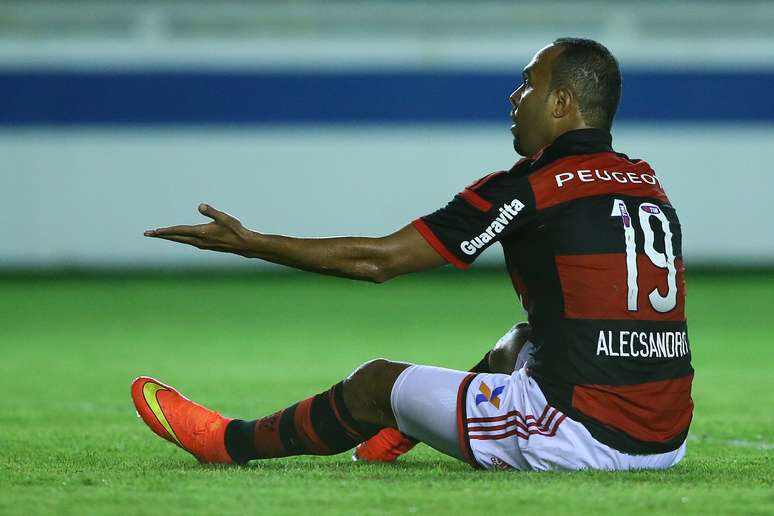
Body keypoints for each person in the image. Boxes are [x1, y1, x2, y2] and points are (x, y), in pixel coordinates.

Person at [135, 37, 693, 471]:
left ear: (562, 102)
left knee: (375, 381)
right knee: (519, 342)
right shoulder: (646, 182)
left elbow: (379, 261)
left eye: (527, 84)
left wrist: (253, 244)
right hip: (667, 439)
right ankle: (399, 432)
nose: (514, 97)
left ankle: (229, 443)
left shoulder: (530, 186)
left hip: (578, 435)